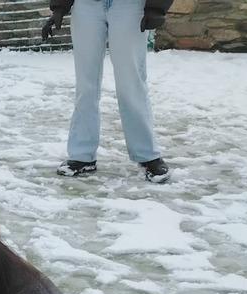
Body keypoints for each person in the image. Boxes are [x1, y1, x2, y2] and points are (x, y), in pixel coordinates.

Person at [42, 0, 173, 183]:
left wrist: (157, 8)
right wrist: (59, 6)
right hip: (86, 6)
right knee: (85, 84)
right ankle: (82, 155)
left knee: (131, 82)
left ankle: (147, 154)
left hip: (129, 6)